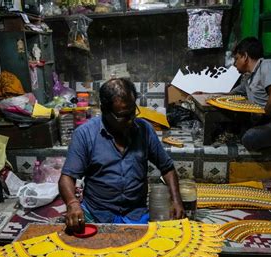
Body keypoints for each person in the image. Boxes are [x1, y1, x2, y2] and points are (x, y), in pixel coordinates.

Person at [59, 78, 185, 233]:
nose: (131, 120)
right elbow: (67, 177)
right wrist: (72, 203)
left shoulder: (144, 130)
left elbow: (167, 168)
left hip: (135, 213)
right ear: (105, 111)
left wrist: (176, 200)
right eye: (123, 116)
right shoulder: (85, 135)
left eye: (133, 112)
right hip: (97, 213)